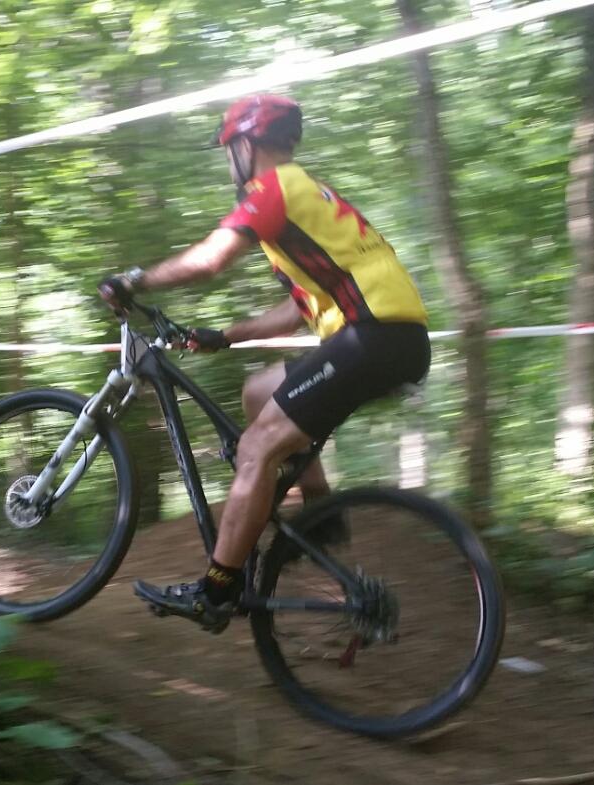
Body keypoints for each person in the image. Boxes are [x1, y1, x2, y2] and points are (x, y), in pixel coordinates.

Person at [99, 94, 430, 633]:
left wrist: (134, 280)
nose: (229, 160)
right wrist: (223, 336)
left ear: (247, 145)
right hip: (386, 336)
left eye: (229, 148)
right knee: (259, 393)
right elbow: (296, 310)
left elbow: (211, 258)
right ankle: (319, 517)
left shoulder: (273, 189)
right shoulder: (309, 201)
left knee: (256, 447)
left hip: (372, 337)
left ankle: (216, 590)